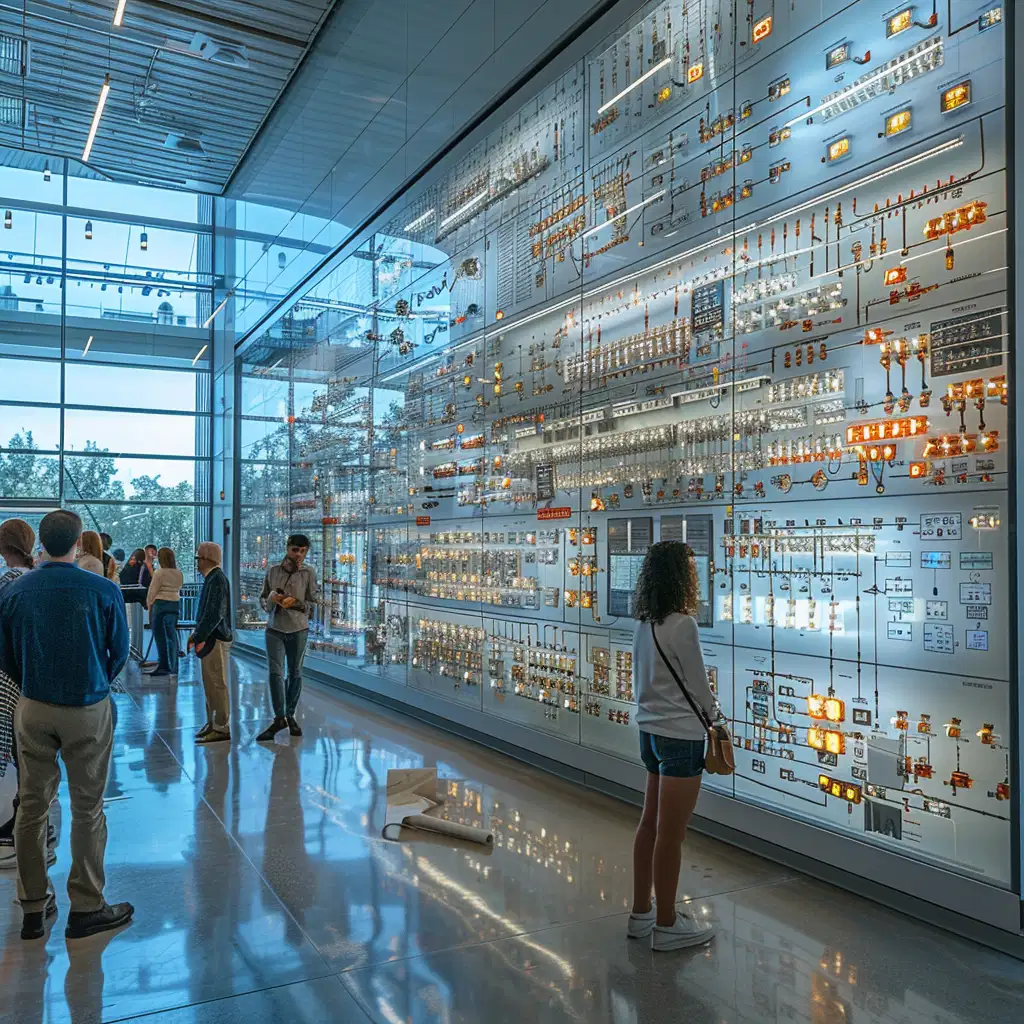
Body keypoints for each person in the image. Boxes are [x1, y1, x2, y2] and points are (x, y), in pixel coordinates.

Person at [0, 509, 132, 941]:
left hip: (33, 705)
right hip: (87, 705)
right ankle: (87, 907)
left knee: (32, 807)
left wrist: (31, 682)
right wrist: (94, 681)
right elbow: (119, 651)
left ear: (41, 542)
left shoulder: (15, 590)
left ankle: (32, 907)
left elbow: (5, 654)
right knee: (87, 808)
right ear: (78, 543)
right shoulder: (102, 589)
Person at [627, 541, 717, 952]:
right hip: (681, 736)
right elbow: (699, 685)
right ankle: (667, 924)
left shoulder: (644, 624)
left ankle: (640, 913)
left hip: (650, 734)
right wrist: (716, 718)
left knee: (649, 825)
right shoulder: (684, 626)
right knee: (671, 834)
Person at [0, 520, 40, 869]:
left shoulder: (9, 583)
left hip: (10, 679)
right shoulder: (35, 579)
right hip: (33, 679)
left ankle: (20, 826)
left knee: (18, 752)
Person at [256, 534, 318, 741]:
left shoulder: (309, 573)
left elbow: (313, 601)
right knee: (275, 673)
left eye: (303, 551)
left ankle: (290, 715)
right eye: (295, 550)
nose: (299, 555)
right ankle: (279, 717)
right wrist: (272, 599)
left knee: (295, 673)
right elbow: (263, 599)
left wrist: (297, 603)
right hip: (275, 628)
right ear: (287, 548)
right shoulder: (273, 571)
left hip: (299, 628)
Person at [190, 542, 232, 745]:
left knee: (216, 683)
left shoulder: (217, 580)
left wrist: (198, 636)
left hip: (215, 638)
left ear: (207, 559)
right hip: (210, 637)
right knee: (210, 683)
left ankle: (221, 726)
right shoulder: (213, 578)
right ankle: (212, 722)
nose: (197, 563)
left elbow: (215, 613)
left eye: (199, 558)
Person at [146, 547, 182, 678]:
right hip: (175, 604)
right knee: (171, 635)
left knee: (160, 636)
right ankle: (174, 666)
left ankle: (164, 666)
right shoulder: (178, 573)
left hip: (160, 604)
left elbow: (152, 591)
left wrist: (149, 604)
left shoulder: (159, 573)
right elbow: (179, 587)